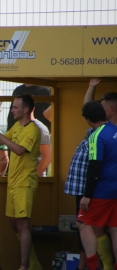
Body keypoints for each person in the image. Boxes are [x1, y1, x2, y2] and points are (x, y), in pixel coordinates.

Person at [0, 95, 41, 270]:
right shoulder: (16, 126)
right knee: (14, 223)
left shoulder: (33, 129)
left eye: (15, 107)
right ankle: (34, 263)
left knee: (22, 224)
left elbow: (19, 150)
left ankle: (24, 266)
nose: (12, 110)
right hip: (13, 182)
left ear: (26, 109)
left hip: (25, 183)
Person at [76, 101, 117, 270]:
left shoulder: (96, 136)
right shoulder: (115, 129)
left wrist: (87, 195)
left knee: (83, 224)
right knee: (114, 228)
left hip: (102, 191)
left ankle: (92, 267)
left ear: (88, 120)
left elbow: (94, 166)